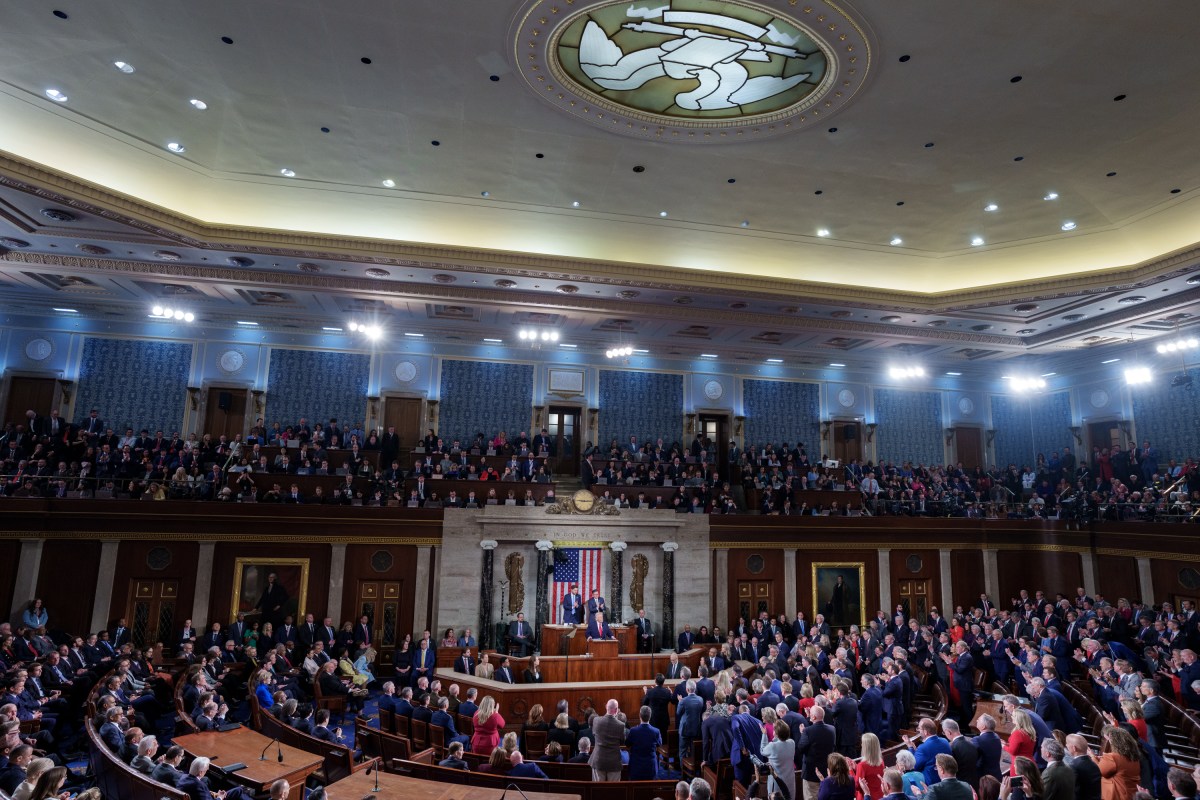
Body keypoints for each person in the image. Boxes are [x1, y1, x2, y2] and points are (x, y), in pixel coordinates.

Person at [1091, 725, 1140, 800]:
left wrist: (1092, 756)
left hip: (1117, 795)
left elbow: (1099, 771)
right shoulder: (1134, 757)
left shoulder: (1112, 757)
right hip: (1131, 795)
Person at [590, 699, 627, 782]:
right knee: (613, 791)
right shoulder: (621, 725)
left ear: (606, 707)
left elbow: (594, 734)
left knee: (597, 790)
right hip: (614, 762)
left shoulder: (596, 720)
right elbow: (622, 742)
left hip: (598, 760)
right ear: (616, 710)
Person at [762, 717, 798, 800]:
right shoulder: (791, 742)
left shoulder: (772, 746)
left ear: (776, 733)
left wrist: (764, 735)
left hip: (777, 780)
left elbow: (763, 750)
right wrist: (776, 737)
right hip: (789, 778)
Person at [627, 705, 663, 781]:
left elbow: (627, 744)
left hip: (636, 766)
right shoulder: (656, 731)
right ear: (650, 716)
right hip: (650, 766)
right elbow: (659, 744)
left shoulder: (633, 731)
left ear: (639, 715)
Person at [1064, 734, 1102, 800]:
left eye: (1067, 744)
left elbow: (1073, 792)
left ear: (1074, 748)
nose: (1066, 745)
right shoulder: (1094, 764)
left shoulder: (1073, 767)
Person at [1006, 710, 1038, 776]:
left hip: (1019, 766)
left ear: (1018, 719)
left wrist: (1003, 746)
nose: (1011, 717)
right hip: (1030, 764)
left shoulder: (1018, 733)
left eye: (1013, 716)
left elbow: (1013, 751)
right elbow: (1023, 747)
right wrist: (1007, 744)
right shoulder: (1030, 731)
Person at [973, 714, 1004, 782]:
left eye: (978, 720)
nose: (976, 720)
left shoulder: (978, 740)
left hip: (984, 778)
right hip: (996, 775)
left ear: (983, 726)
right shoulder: (996, 737)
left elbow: (972, 757)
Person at [856, 732, 886, 800]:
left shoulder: (862, 765)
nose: (861, 745)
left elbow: (857, 786)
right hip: (879, 796)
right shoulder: (881, 762)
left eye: (862, 744)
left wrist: (851, 770)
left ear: (866, 748)